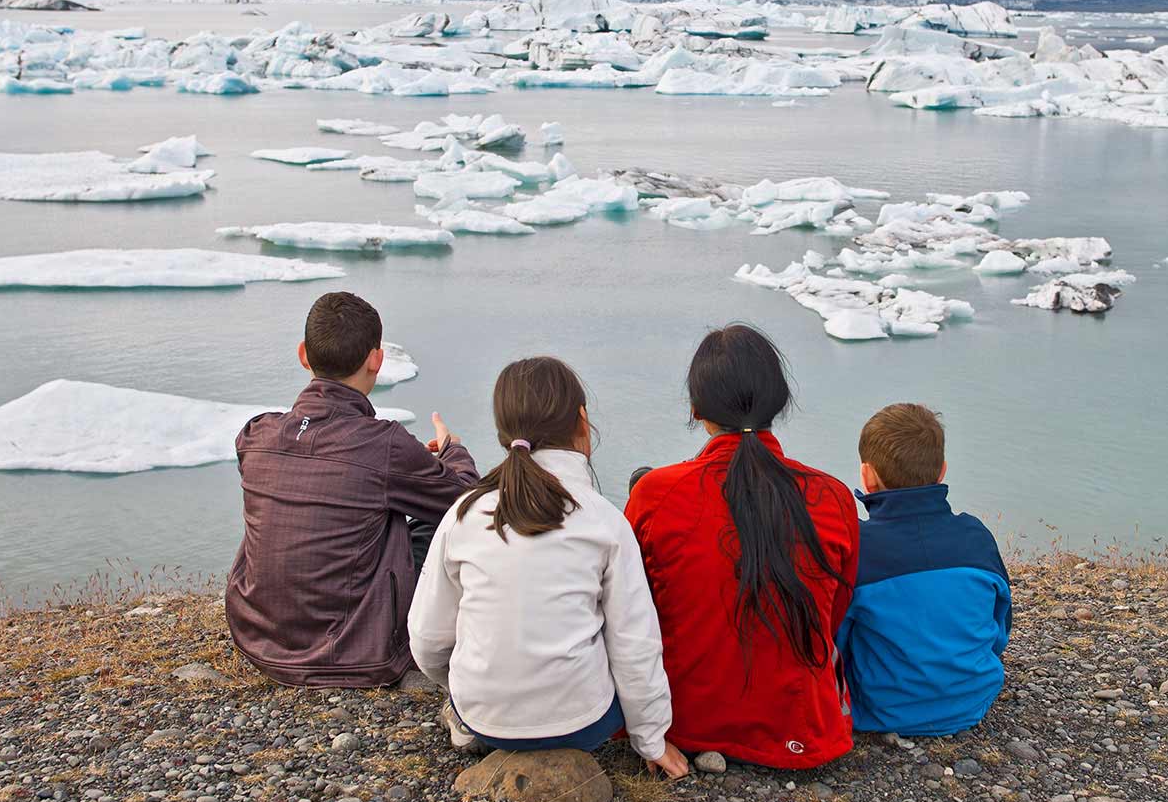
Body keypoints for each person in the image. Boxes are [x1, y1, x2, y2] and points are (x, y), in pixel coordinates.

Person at [409, 357, 690, 777]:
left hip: (483, 718)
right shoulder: (603, 519)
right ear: (582, 422)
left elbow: (427, 639)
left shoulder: (464, 514)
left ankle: (469, 725)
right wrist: (651, 740)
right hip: (583, 726)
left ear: (504, 432)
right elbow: (635, 645)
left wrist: (463, 691)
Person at [625, 325, 860, 769]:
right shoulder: (832, 496)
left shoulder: (657, 493)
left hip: (682, 722)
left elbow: (633, 608)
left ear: (696, 409)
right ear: (780, 402)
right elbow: (834, 611)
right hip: (802, 729)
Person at [226, 291, 479, 687]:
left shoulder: (256, 435)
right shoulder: (385, 444)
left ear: (303, 355)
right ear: (376, 360)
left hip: (258, 642)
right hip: (357, 654)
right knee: (441, 527)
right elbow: (466, 500)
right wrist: (454, 451)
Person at [837, 403, 1011, 736]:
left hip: (879, 708)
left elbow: (837, 638)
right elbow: (1000, 627)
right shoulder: (976, 537)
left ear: (867, 475)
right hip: (972, 700)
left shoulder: (858, 546)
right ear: (942, 470)